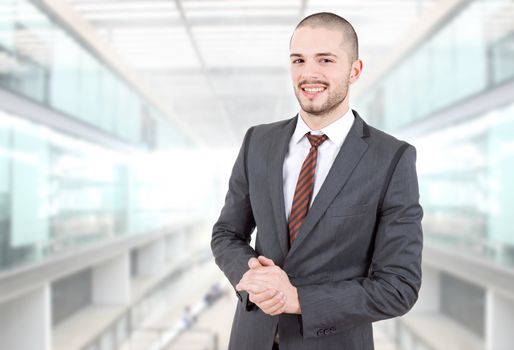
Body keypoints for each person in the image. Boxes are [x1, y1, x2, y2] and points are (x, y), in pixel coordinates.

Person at [211, 12, 423, 350]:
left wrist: (297, 299)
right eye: (299, 60)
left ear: (354, 70)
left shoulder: (392, 158)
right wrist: (251, 272)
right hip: (250, 340)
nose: (309, 73)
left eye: (325, 60)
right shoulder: (257, 142)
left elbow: (399, 287)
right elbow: (226, 233)